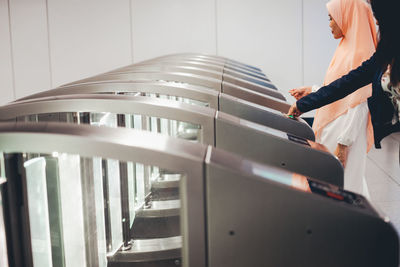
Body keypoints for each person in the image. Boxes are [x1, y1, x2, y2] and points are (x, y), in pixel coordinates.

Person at [287, 0, 400, 196]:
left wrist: (344, 141)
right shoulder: (387, 50)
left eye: (380, 20)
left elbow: (359, 101)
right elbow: (347, 83)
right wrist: (305, 103)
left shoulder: (373, 47)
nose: (377, 24)